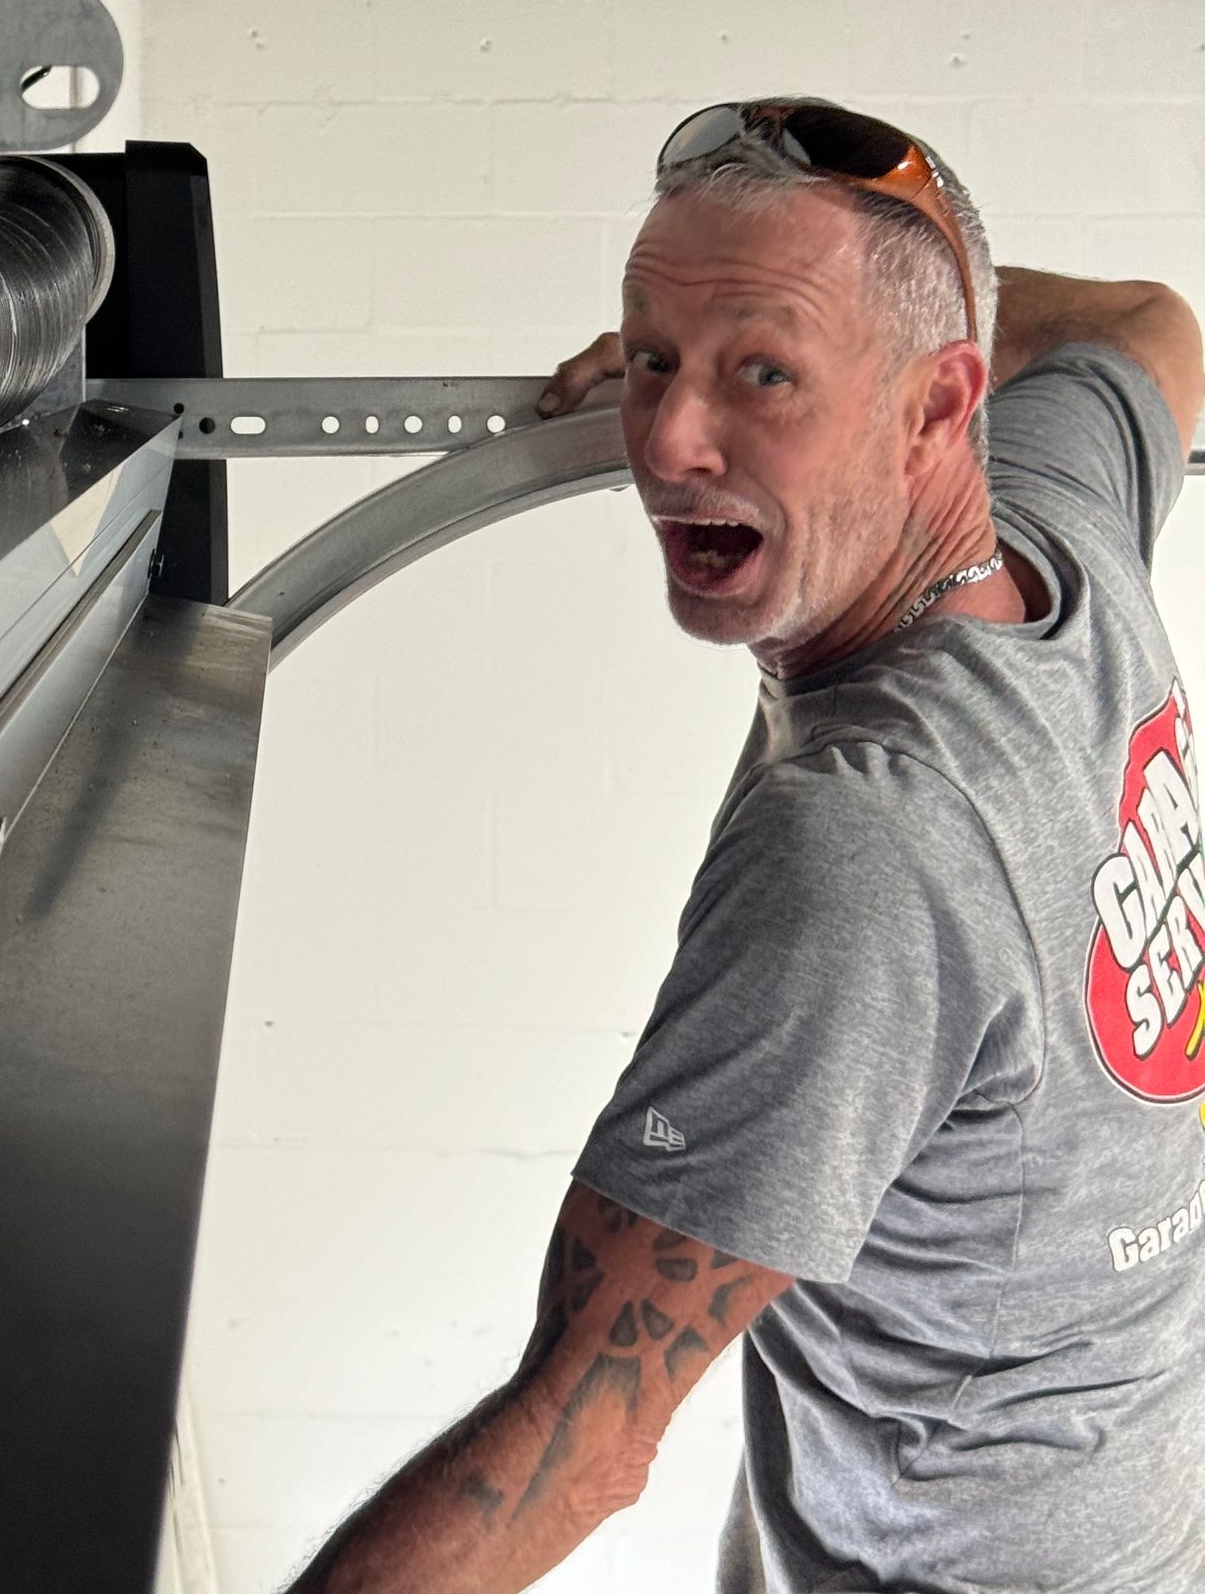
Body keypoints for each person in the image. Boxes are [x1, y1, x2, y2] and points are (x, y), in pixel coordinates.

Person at [287, 98, 1205, 1594]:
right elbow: (1155, 323)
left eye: (762, 372)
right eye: (653, 358)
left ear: (933, 407)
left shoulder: (866, 852)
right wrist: (826, 319)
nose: (666, 437)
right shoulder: (1061, 520)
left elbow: (571, 1447)